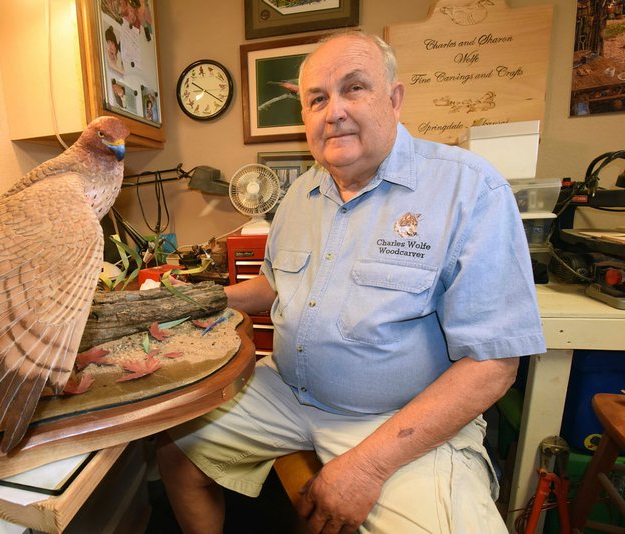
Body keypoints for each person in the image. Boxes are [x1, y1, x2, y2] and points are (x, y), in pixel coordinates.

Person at [156, 30, 546, 533]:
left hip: (399, 418)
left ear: (395, 98)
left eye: (354, 88)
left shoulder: (469, 189)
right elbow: (276, 286)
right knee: (176, 452)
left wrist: (367, 466)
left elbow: (494, 364)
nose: (333, 110)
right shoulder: (300, 193)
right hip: (289, 392)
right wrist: (201, 300)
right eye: (317, 98)